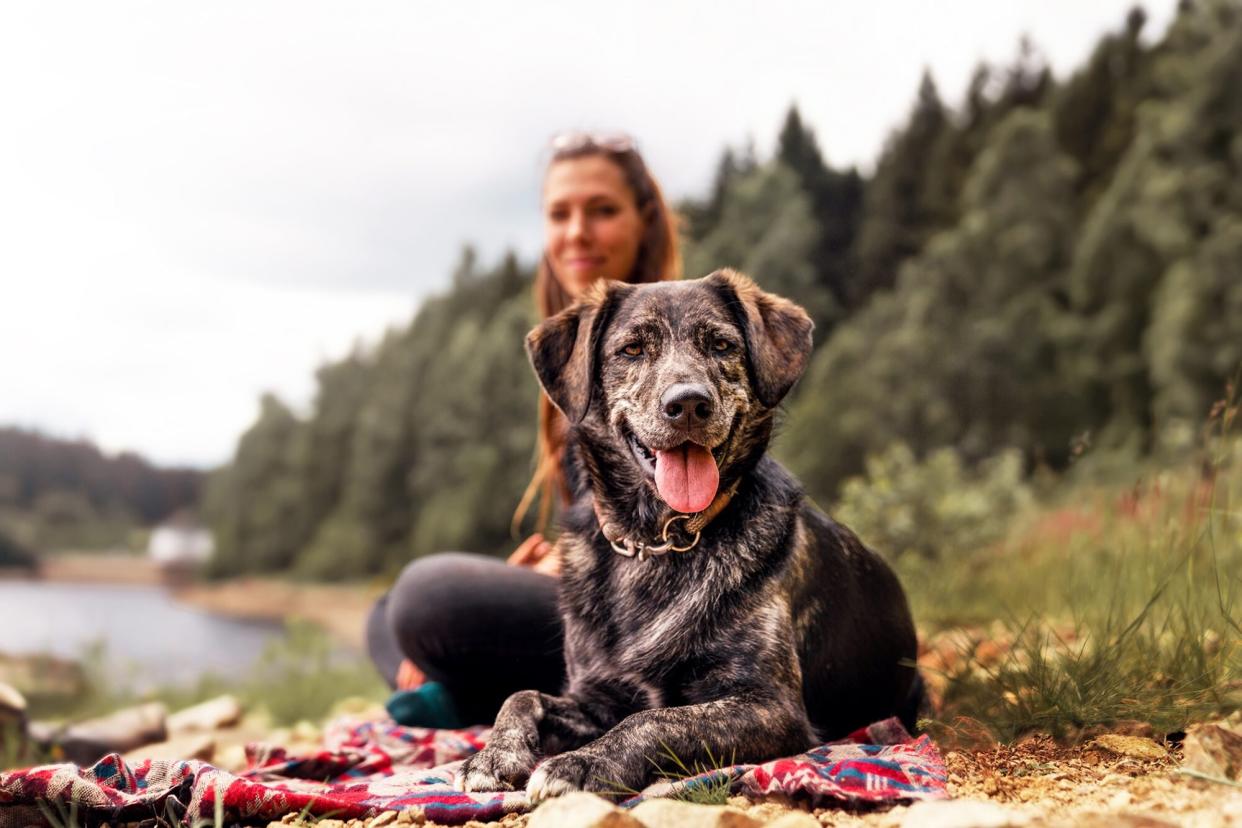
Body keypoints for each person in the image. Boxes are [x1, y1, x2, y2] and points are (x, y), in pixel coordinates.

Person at [365, 132, 681, 727]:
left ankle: (465, 699)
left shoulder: (678, 350)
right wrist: (548, 565)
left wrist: (566, 564)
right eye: (559, 214)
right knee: (384, 612)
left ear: (645, 221)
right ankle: (478, 695)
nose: (576, 231)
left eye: (602, 210)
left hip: (664, 600)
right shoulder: (575, 353)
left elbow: (684, 520)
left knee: (426, 599)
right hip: (597, 592)